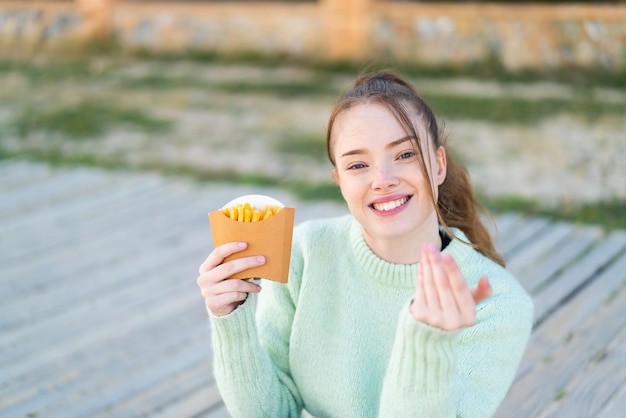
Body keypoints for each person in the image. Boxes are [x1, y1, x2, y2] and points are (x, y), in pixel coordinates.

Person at [197, 70, 534, 417]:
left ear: (438, 165)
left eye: (405, 154)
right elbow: (270, 413)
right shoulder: (307, 253)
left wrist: (426, 341)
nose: (383, 180)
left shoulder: (497, 303)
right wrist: (231, 320)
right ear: (339, 181)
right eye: (358, 165)